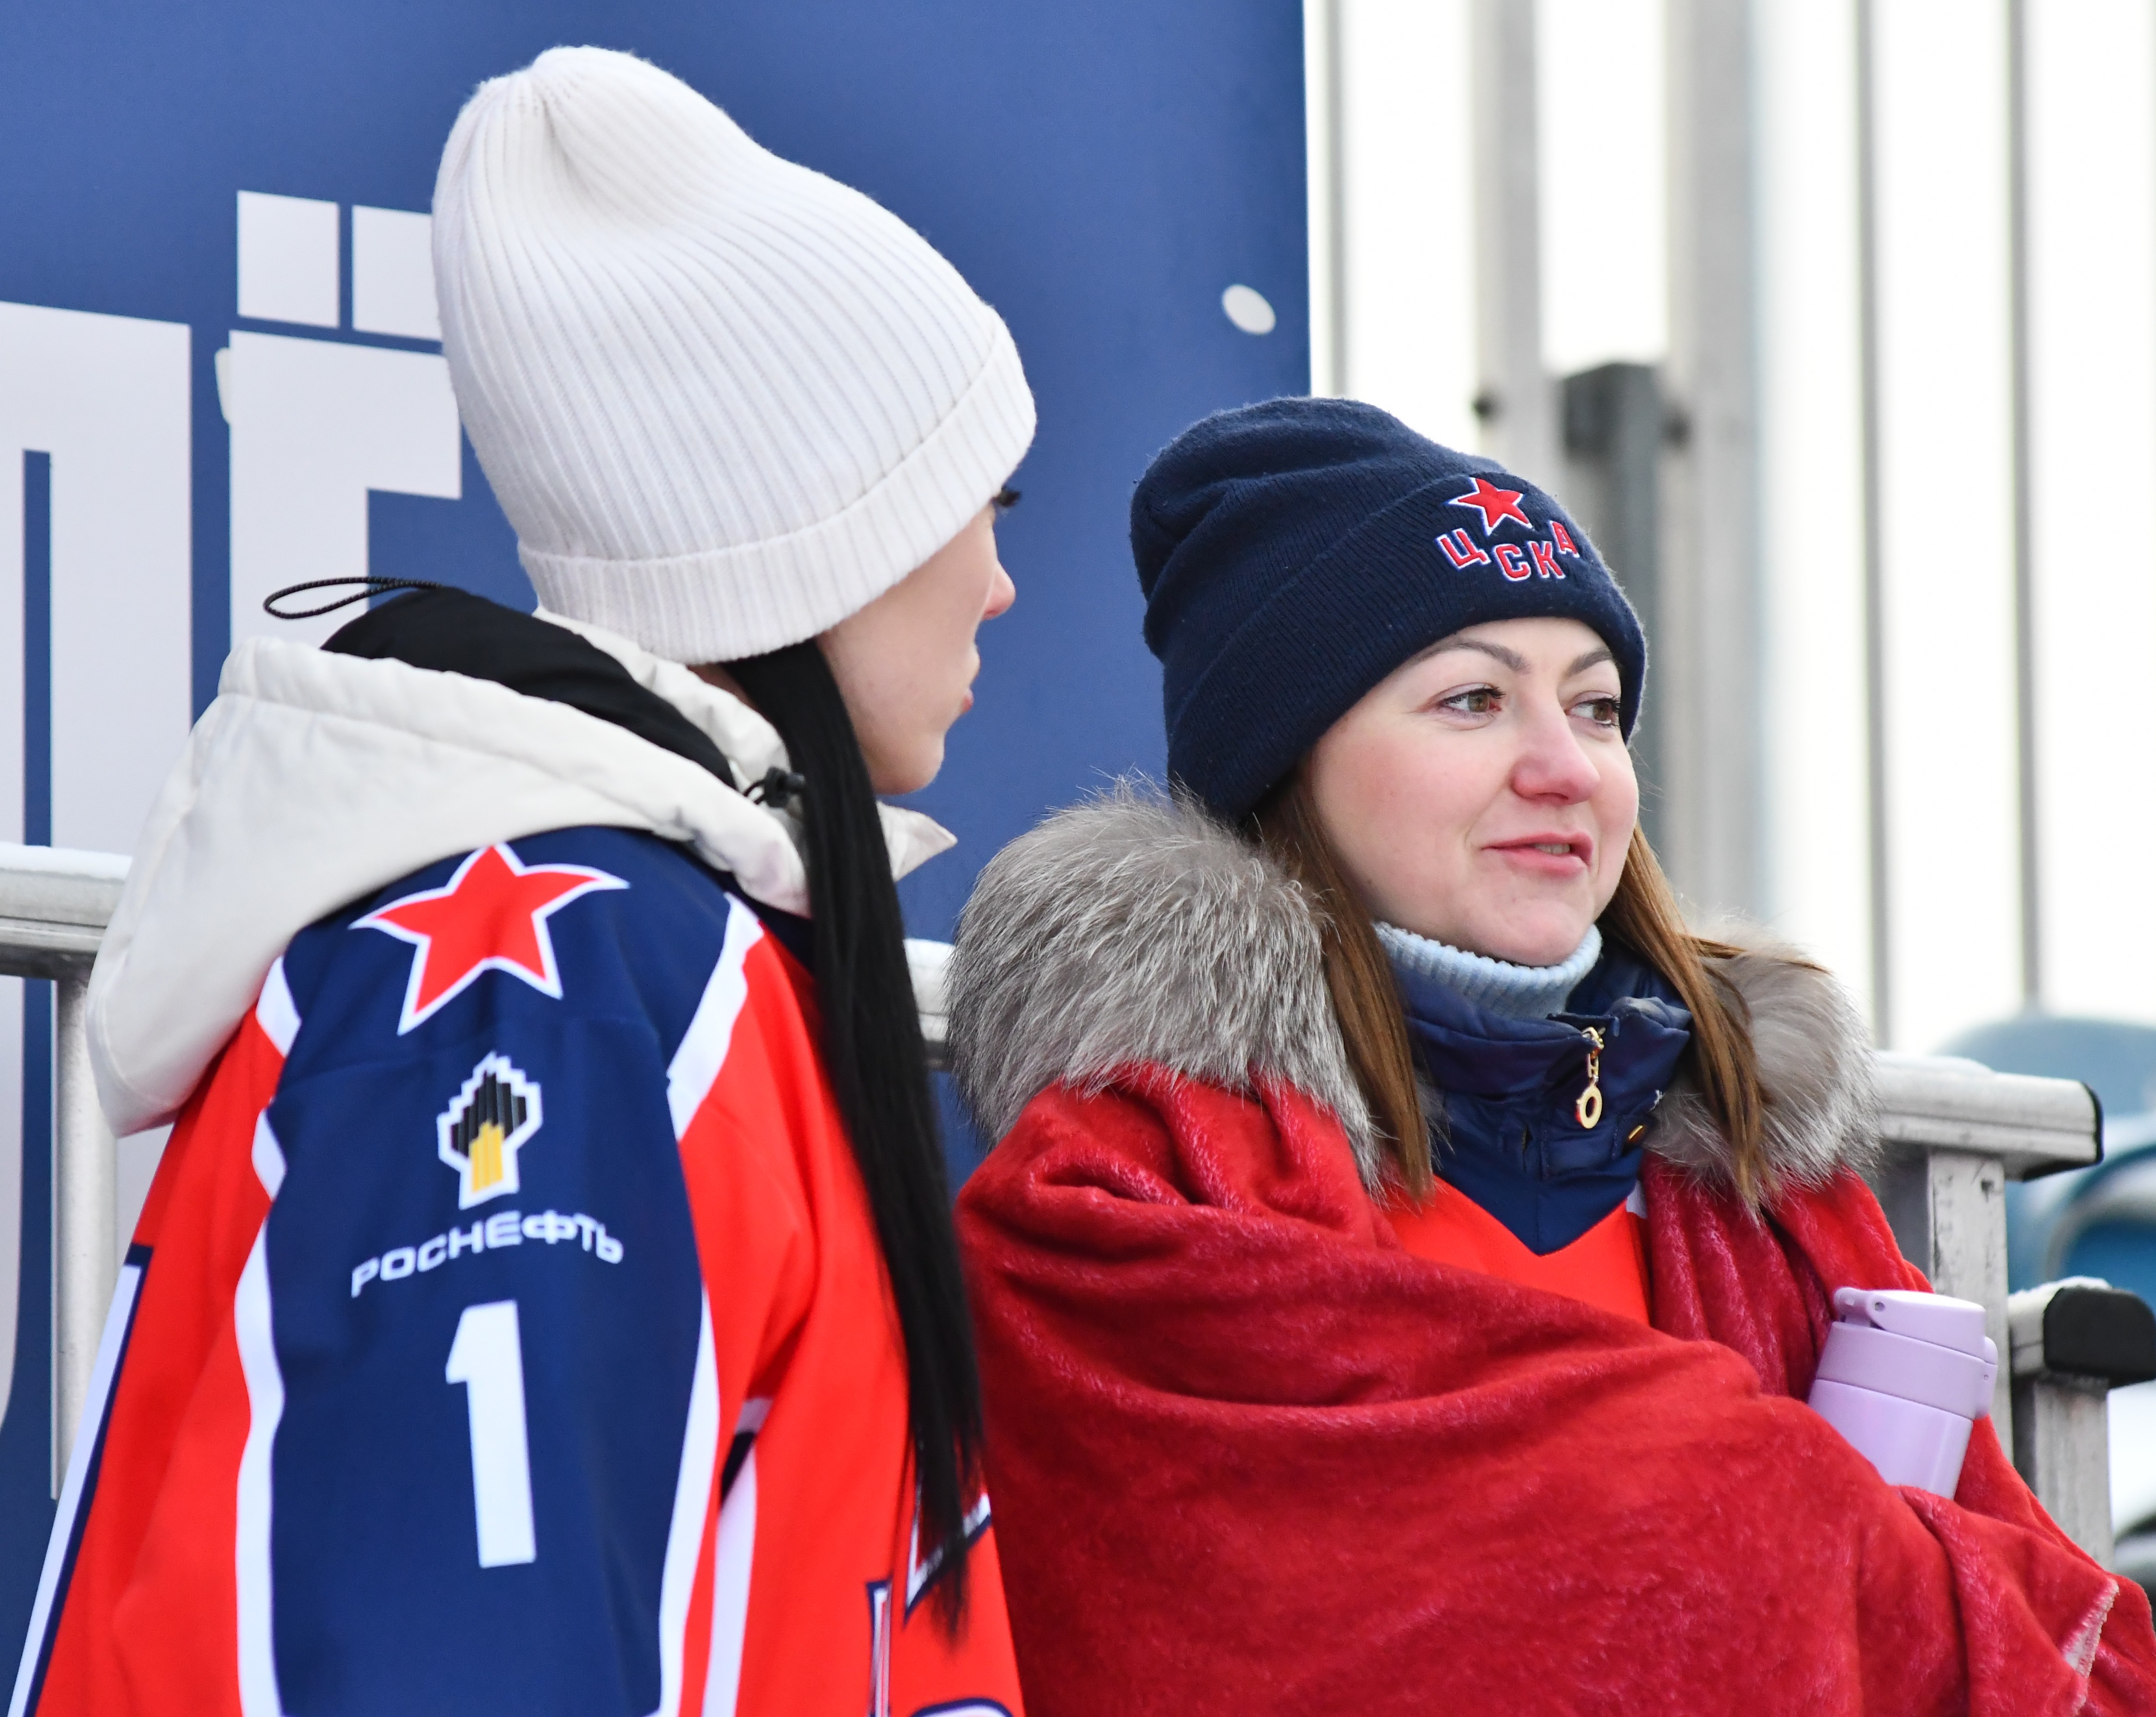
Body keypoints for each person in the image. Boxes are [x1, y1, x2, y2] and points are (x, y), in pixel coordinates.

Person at [18, 48, 1034, 1717]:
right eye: (984, 499)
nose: (999, 582)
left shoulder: (649, 956)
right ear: (823, 535)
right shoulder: (539, 974)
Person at [947, 397, 2156, 1714]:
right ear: (1285, 763)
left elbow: (2062, 1650)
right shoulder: (1130, 1191)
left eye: (1595, 708)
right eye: (1472, 699)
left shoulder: (1761, 1188)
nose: (1564, 768)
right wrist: (1778, 1518)